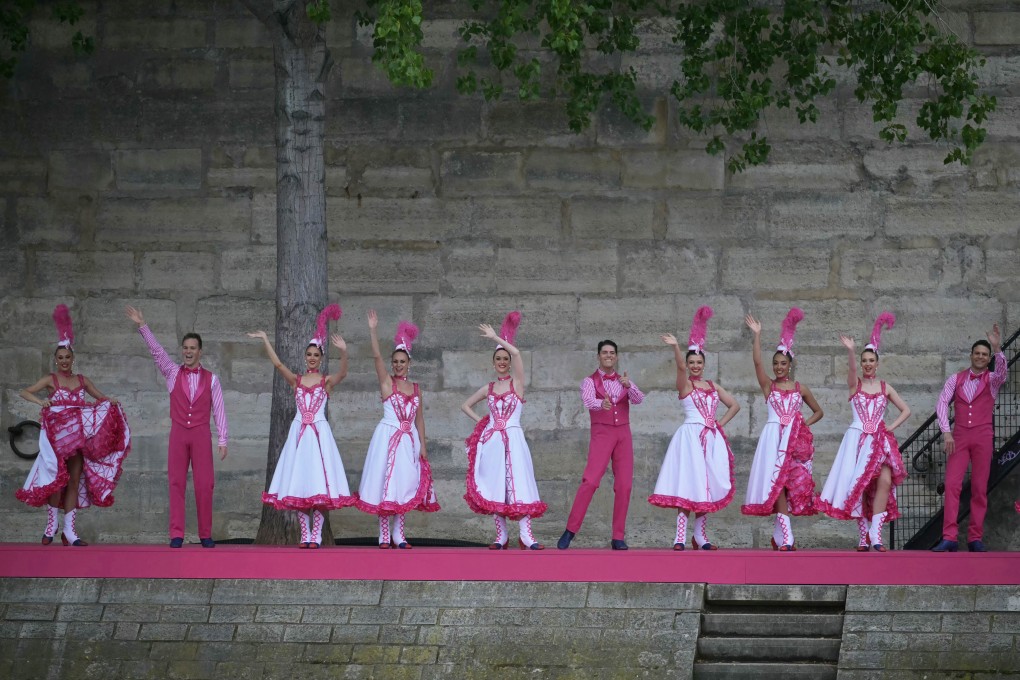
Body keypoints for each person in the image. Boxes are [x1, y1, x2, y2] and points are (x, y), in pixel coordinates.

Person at [16, 305, 131, 546]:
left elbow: (101, 397)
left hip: (77, 441)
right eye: (60, 358)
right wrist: (42, 402)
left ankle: (69, 530)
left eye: (68, 357)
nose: (64, 361)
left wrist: (111, 402)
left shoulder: (81, 380)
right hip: (57, 441)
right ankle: (51, 525)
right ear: (55, 360)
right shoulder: (51, 379)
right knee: (57, 479)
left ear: (73, 358)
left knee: (74, 481)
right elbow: (24, 391)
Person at [249, 304, 356, 549]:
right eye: (308, 355)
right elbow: (278, 365)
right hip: (299, 434)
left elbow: (343, 374)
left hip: (318, 436)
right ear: (304, 356)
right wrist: (265, 339)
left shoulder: (326, 381)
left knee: (318, 483)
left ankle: (316, 533)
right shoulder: (296, 380)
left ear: (321, 358)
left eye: (316, 355)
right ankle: (305, 532)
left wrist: (344, 352)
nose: (311, 358)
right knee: (298, 482)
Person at [126, 305, 228, 548]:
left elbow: (220, 410)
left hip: (201, 433)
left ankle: (205, 534)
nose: (188, 352)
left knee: (205, 484)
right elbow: (157, 352)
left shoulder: (212, 378)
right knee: (176, 482)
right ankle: (176, 534)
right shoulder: (172, 372)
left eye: (193, 348)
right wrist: (143, 325)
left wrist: (223, 439)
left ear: (200, 351)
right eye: (185, 348)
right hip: (179, 433)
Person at [815, 312, 911, 551]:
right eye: (864, 360)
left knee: (885, 481)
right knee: (859, 484)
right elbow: (850, 372)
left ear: (877, 363)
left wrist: (890, 426)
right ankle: (863, 537)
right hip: (857, 439)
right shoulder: (855, 385)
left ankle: (875, 534)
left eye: (871, 360)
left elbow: (905, 410)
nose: (867, 364)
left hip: (879, 440)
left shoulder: (885, 386)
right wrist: (850, 351)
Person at [649, 306, 740, 550]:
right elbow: (678, 368)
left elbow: (734, 405)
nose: (695, 365)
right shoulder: (685, 385)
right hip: (689, 438)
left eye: (699, 362)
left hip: (709, 438)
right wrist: (676, 346)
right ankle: (679, 536)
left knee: (705, 485)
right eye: (692, 362)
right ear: (688, 365)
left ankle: (700, 536)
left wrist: (717, 425)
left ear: (704, 363)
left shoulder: (712, 385)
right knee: (688, 483)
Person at [462, 312, 547, 550]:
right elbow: (465, 405)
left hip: (514, 438)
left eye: (504, 358)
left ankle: (526, 535)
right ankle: (501, 536)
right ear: (493, 363)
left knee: (520, 482)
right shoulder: (488, 387)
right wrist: (485, 423)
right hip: (494, 442)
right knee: (496, 484)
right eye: (498, 358)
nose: (502, 361)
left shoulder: (517, 384)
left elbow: (518, 353)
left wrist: (495, 337)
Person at [354, 311, 439, 548]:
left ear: (409, 363)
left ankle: (399, 534)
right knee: (386, 483)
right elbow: (376, 357)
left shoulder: (416, 388)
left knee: (404, 484)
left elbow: (419, 419)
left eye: (402, 361)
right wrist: (373, 330)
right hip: (389, 436)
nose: (398, 365)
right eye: (395, 362)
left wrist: (422, 444)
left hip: (408, 440)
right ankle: (383, 535)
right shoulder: (386, 382)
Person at [741, 309, 823, 550]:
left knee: (789, 485)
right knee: (776, 482)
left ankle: (778, 537)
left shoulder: (801, 388)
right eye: (775, 363)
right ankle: (787, 536)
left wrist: (801, 427)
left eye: (782, 363)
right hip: (773, 439)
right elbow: (757, 362)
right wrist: (757, 335)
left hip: (793, 441)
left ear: (790, 365)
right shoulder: (768, 386)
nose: (778, 367)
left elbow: (819, 412)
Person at [558, 339, 645, 550]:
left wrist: (629, 385)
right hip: (602, 433)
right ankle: (570, 530)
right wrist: (601, 403)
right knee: (590, 481)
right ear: (598, 356)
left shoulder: (623, 380)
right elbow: (588, 400)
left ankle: (618, 536)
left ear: (616, 356)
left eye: (612, 353)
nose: (608, 355)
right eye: (605, 352)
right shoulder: (589, 381)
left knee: (624, 485)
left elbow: (639, 399)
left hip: (623, 433)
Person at [932, 323, 1006, 552]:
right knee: (953, 485)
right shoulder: (956, 379)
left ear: (988, 358)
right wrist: (946, 432)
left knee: (979, 488)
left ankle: (975, 538)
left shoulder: (993, 380)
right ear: (971, 355)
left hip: (983, 437)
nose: (981, 357)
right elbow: (942, 403)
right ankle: (949, 537)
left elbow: (1003, 373)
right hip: (960, 437)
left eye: (985, 354)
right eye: (978, 353)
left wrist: (997, 349)